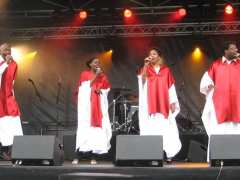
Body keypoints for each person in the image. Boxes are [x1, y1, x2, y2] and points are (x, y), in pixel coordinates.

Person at [138, 48, 182, 161]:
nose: (151, 56)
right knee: (153, 129)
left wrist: (172, 102)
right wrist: (145, 66)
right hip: (151, 105)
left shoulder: (166, 70)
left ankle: (169, 155)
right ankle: (154, 153)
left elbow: (171, 87)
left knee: (166, 129)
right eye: (150, 54)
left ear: (159, 56)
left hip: (164, 105)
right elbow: (141, 82)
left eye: (154, 54)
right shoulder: (146, 69)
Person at [200, 42, 240, 159]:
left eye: (236, 48)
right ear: (226, 51)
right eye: (233, 48)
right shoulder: (216, 65)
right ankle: (218, 157)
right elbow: (205, 83)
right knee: (219, 130)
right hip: (220, 105)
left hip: (236, 104)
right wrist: (209, 87)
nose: (236, 50)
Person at [72, 57, 112, 165]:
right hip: (86, 108)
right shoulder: (84, 74)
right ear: (90, 64)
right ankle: (77, 155)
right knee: (84, 130)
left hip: (97, 107)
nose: (97, 64)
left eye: (98, 62)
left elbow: (106, 90)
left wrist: (101, 91)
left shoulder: (103, 76)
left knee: (95, 132)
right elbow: (84, 87)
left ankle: (93, 157)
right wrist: (96, 76)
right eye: (95, 62)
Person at [0, 43, 23, 160]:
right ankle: (4, 149)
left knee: (13, 124)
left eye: (9, 49)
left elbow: (11, 81)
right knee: (3, 125)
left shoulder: (13, 64)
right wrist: (5, 63)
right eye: (4, 49)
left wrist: (10, 63)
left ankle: (13, 150)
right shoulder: (2, 63)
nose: (7, 51)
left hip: (8, 98)